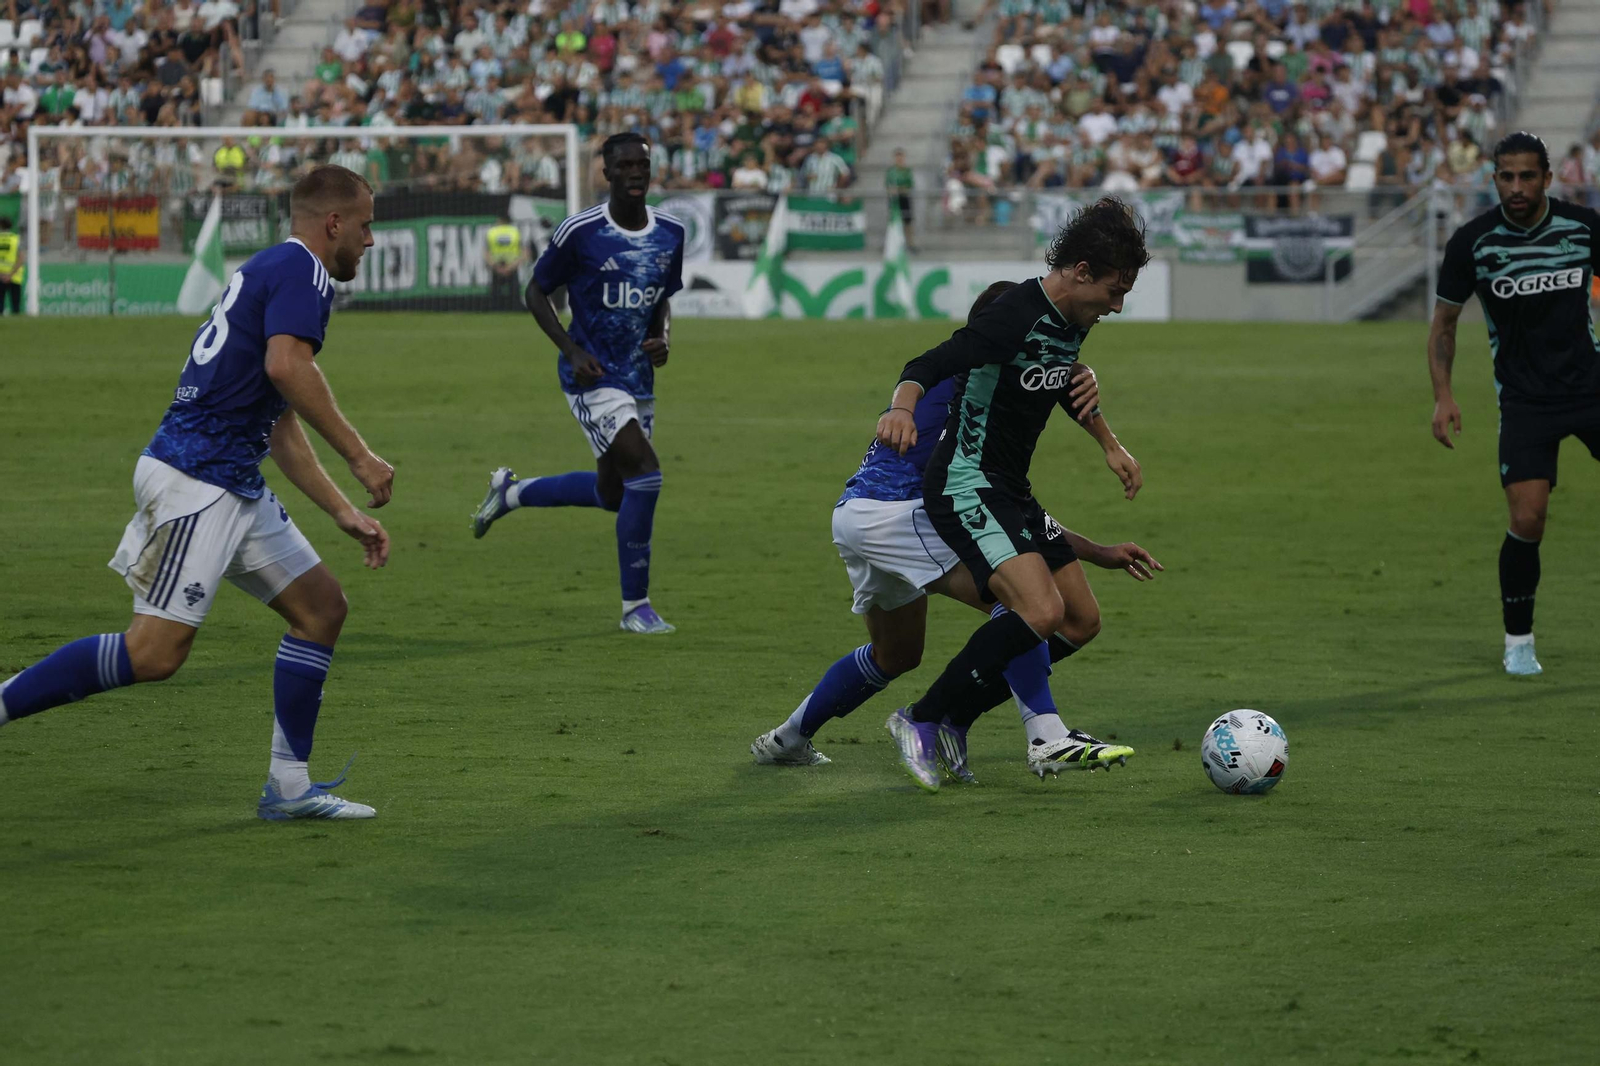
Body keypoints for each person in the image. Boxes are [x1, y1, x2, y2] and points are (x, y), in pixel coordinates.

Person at [0, 165, 393, 820]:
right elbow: (286, 367)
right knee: (153, 653)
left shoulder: (270, 269)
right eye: (366, 225)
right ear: (334, 223)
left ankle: (290, 787)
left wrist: (342, 511)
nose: (370, 240)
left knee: (321, 608)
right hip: (198, 479)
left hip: (226, 475)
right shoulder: (306, 272)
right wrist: (360, 457)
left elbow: (278, 419)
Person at [750, 281, 1159, 780]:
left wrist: (1095, 547)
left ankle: (788, 739)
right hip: (901, 514)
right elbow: (988, 500)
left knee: (896, 654)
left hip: (856, 514)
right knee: (1024, 605)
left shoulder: (987, 374)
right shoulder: (978, 385)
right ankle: (1041, 734)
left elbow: (1009, 507)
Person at [874, 198, 1149, 791]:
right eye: (1114, 290)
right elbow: (931, 360)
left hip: (1011, 488)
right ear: (1080, 272)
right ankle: (919, 718)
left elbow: (1057, 384)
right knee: (1040, 611)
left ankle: (958, 718)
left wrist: (1109, 444)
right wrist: (901, 407)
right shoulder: (1013, 315)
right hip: (966, 482)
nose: (1117, 305)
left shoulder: (1072, 319)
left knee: (1080, 620)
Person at [471, 132, 686, 634]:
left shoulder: (670, 233)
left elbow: (661, 299)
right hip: (591, 377)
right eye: (624, 166)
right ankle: (637, 608)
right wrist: (570, 348)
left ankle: (511, 494)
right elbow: (536, 290)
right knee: (647, 474)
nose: (636, 173)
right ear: (606, 174)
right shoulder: (582, 231)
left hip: (638, 377)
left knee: (614, 493)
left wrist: (663, 339)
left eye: (643, 165)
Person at [1429, 131, 1600, 677]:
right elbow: (1445, 326)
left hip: (1592, 388)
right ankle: (1519, 640)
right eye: (1507, 176)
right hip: (1526, 402)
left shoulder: (1582, 226)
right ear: (1494, 178)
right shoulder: (1473, 243)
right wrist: (1443, 395)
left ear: (1548, 178)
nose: (1517, 186)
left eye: (1528, 176)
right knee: (1528, 518)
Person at [483, 213, 527, 311]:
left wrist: (495, 266)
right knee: (514, 293)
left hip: (497, 266)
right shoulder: (516, 232)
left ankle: (495, 311)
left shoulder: (492, 232)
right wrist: (511, 267)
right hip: (511, 266)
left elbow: (486, 253)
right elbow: (525, 253)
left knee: (495, 295)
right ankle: (515, 310)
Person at [885, 148, 916, 252]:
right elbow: (888, 185)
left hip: (904, 198)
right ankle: (893, 244)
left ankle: (910, 244)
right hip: (894, 199)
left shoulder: (907, 171)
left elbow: (909, 185)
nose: (899, 160)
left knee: (907, 221)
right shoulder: (891, 171)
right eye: (897, 157)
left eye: (901, 157)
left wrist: (899, 189)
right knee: (893, 222)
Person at [0, 216, 24, 315]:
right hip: (15, 276)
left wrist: (2, 275)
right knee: (15, 306)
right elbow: (21, 258)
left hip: (0, 276)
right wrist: (10, 274)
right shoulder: (16, 239)